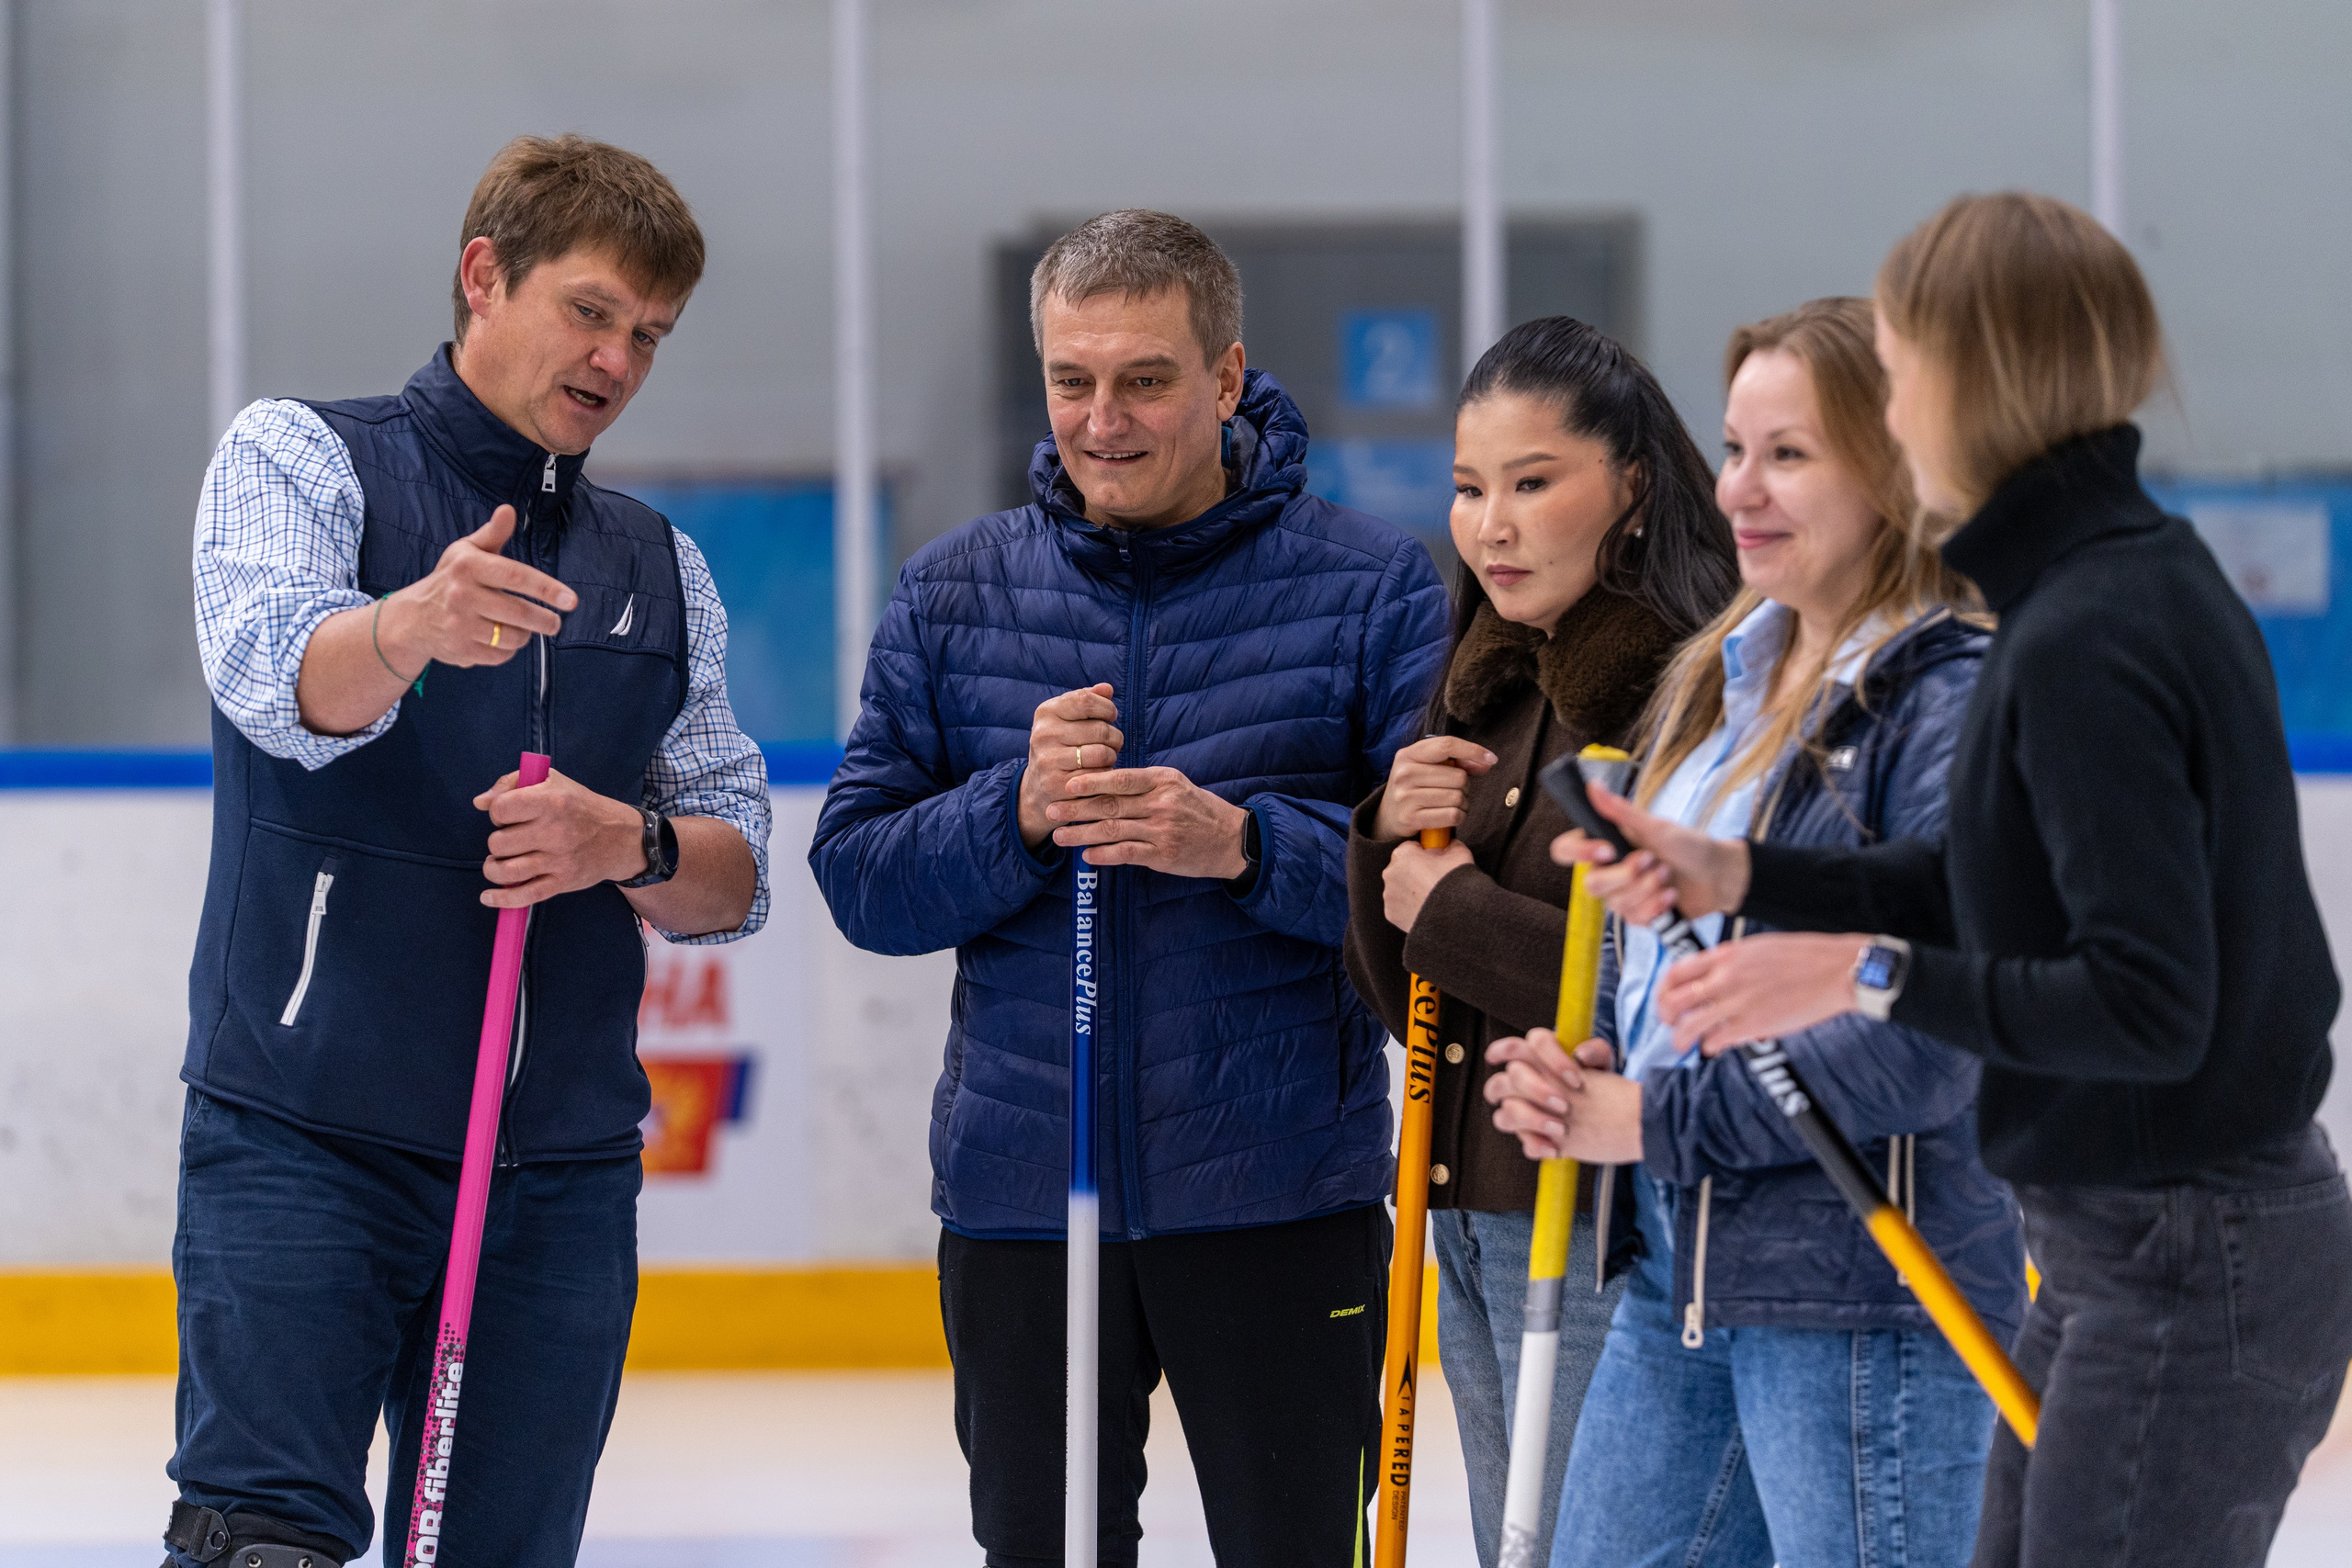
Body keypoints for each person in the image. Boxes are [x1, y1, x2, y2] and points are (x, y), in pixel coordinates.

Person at [1555, 195, 2352, 1568]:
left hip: (2185, 1251)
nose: (1896, 406)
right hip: (2130, 1248)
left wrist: (1860, 971)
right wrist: (1738, 868)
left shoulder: (2090, 629)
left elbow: (2148, 1003)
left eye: (1905, 371)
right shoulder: (2093, 586)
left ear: (1973, 383)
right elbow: (1995, 885)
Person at [808, 209, 1448, 1566]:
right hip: (1027, 1202)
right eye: (1072, 380)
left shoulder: (1374, 589)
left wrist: (1252, 849)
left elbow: (1431, 893)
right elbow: (862, 882)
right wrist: (1017, 814)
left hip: (1279, 1199)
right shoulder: (953, 596)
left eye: (1146, 380)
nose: (1104, 420)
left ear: (1223, 378)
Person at [171, 135, 771, 1568]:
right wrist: (405, 628)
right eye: (590, 311)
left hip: (553, 1174)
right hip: (304, 1136)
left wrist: (621, 839)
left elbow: (735, 871)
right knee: (262, 1541)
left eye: (650, 336)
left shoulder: (657, 565)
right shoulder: (302, 456)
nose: (617, 361)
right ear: (483, 275)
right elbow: (270, 675)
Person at [1483, 298, 2024, 1568]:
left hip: (1861, 1290)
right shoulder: (1720, 675)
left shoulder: (1949, 701)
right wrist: (1613, 1078)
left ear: (1897, 469)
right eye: (1733, 450)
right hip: (1682, 1265)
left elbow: (1934, 1028)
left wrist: (1654, 1120)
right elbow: (1689, 970)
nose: (1740, 491)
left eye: (1791, 454)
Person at [1341, 315, 1736, 1567]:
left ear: (1629, 488)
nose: (1490, 524)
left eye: (1531, 482)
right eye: (1467, 488)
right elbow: (1403, 986)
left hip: (1598, 1211)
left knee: (1580, 1545)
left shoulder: (1684, 694)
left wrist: (1446, 907)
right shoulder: (1488, 682)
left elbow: (1663, 984)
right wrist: (1381, 846)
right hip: (1461, 1204)